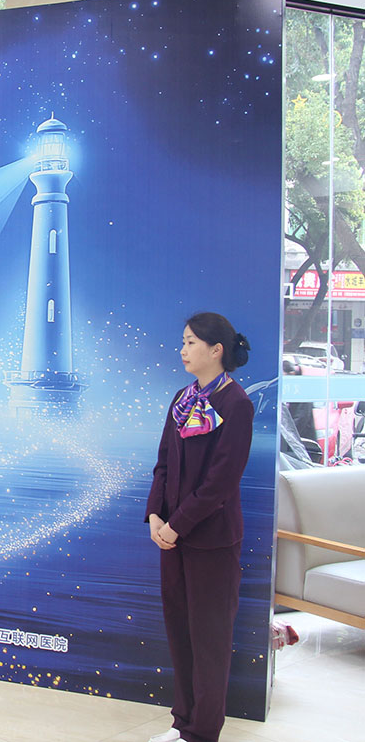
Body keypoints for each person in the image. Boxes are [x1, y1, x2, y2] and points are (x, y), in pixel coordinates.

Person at [145, 312, 253, 742]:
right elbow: (163, 463)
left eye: (191, 342)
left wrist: (178, 524)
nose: (183, 350)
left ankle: (203, 732)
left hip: (211, 540)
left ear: (216, 350)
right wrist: (156, 515)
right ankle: (182, 723)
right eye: (183, 341)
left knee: (209, 638)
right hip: (172, 538)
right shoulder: (182, 398)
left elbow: (221, 482)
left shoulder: (236, 403)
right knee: (180, 632)